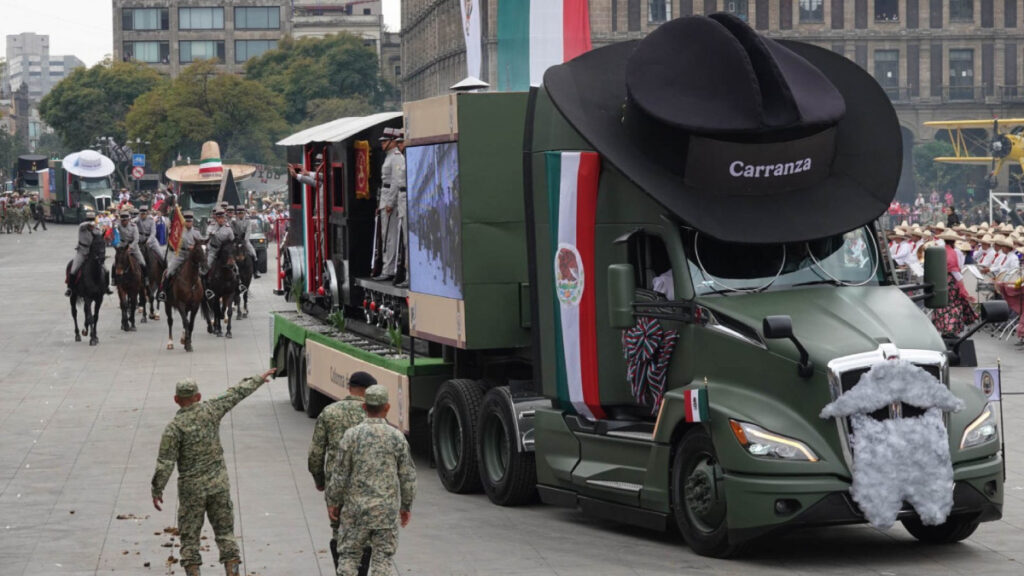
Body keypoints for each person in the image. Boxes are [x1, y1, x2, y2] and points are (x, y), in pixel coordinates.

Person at [151, 369, 277, 576]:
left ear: (176, 399)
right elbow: (235, 393)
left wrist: (157, 490)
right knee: (226, 534)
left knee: (190, 538)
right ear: (198, 397)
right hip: (218, 485)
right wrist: (259, 379)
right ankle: (233, 570)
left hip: (191, 490)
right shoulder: (211, 410)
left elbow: (165, 463)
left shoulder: (173, 429)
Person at [327, 385, 416, 576]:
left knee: (349, 558)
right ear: (387, 408)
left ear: (364, 407)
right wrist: (406, 506)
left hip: (355, 512)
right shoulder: (397, 437)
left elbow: (340, 473)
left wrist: (333, 502)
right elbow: (407, 476)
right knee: (382, 560)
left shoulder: (351, 435)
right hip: (385, 513)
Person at [308, 372, 374, 569]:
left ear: (349, 388)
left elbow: (315, 455)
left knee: (339, 532)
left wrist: (320, 481)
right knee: (365, 534)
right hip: (366, 487)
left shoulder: (329, 412)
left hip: (336, 487)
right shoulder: (373, 414)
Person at [931, 230, 977, 337]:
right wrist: (962, 287)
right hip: (951, 281)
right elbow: (955, 271)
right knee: (953, 305)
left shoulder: (940, 250)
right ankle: (950, 329)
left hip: (940, 280)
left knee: (942, 304)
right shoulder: (953, 252)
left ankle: (943, 328)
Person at [374, 129, 401, 281]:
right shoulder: (389, 157)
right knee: (385, 235)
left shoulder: (396, 157)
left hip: (390, 199)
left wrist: (390, 202)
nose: (382, 143)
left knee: (390, 236)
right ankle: (387, 267)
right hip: (384, 196)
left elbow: (396, 182)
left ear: (393, 141)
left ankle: (389, 269)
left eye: (385, 141)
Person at [158, 211, 203, 301]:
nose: (188, 223)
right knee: (169, 271)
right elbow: (174, 243)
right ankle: (163, 292)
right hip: (181, 254)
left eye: (190, 221)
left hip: (193, 256)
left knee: (203, 271)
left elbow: (200, 243)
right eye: (187, 221)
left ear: (192, 222)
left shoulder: (197, 232)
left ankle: (204, 292)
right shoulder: (179, 231)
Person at [65, 220, 113, 296]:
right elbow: (81, 224)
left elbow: (101, 239)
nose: (92, 226)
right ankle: (70, 288)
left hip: (92, 253)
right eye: (90, 224)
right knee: (73, 269)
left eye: (93, 223)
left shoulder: (96, 231)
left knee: (106, 270)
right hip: (82, 252)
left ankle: (106, 287)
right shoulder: (82, 229)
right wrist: (89, 223)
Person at [392, 133, 409, 288]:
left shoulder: (408, 157)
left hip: (407, 197)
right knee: (405, 240)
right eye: (398, 143)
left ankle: (410, 276)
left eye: (401, 142)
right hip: (402, 198)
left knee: (408, 241)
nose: (399, 145)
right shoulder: (403, 157)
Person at [114, 210, 146, 282]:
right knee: (115, 264)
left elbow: (136, 239)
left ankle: (145, 280)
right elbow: (115, 226)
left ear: (128, 220)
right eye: (122, 220)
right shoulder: (119, 225)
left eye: (125, 220)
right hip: (122, 246)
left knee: (142, 263)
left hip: (133, 247)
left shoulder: (133, 226)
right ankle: (114, 279)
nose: (123, 222)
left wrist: (130, 247)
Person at [230, 206, 260, 278]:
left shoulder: (248, 220)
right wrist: (235, 239)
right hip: (236, 239)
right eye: (239, 213)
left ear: (244, 213)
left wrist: (245, 241)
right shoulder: (233, 220)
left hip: (245, 239)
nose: (240, 214)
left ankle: (256, 271)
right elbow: (232, 230)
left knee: (253, 253)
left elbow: (248, 231)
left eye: (242, 213)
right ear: (237, 213)